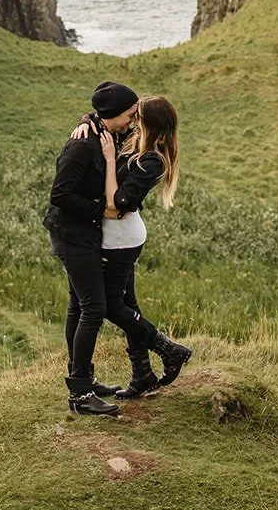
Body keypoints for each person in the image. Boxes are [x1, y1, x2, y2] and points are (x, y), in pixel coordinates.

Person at [69, 94, 191, 399]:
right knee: (128, 303)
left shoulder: (152, 160)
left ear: (151, 124)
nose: (133, 120)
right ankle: (143, 374)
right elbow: (106, 114)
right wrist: (86, 121)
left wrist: (110, 162)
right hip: (116, 236)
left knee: (110, 306)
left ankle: (169, 349)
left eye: (138, 117)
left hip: (122, 240)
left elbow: (117, 202)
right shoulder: (135, 140)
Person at [43, 81, 137, 415]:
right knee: (94, 308)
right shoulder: (80, 146)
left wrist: (87, 117)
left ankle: (82, 379)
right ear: (113, 116)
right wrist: (101, 209)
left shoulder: (106, 133)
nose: (133, 120)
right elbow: (60, 196)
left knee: (78, 305)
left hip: (86, 233)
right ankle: (80, 396)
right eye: (129, 115)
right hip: (72, 235)